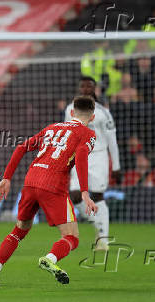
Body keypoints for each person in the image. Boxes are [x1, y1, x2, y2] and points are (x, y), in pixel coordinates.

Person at [0, 96, 98, 286]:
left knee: (19, 230)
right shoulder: (88, 133)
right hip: (53, 184)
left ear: (71, 112)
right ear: (92, 117)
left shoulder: (52, 127)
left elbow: (21, 147)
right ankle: (50, 259)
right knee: (71, 237)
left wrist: (7, 177)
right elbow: (82, 156)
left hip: (31, 181)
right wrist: (84, 192)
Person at [65, 76, 121, 250]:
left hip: (98, 157)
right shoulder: (70, 109)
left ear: (95, 89)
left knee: (97, 195)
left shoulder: (103, 112)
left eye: (89, 86)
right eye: (82, 86)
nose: (85, 89)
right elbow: (68, 134)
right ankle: (98, 226)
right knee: (75, 195)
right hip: (78, 156)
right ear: (79, 89)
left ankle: (103, 239)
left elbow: (112, 140)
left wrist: (116, 166)